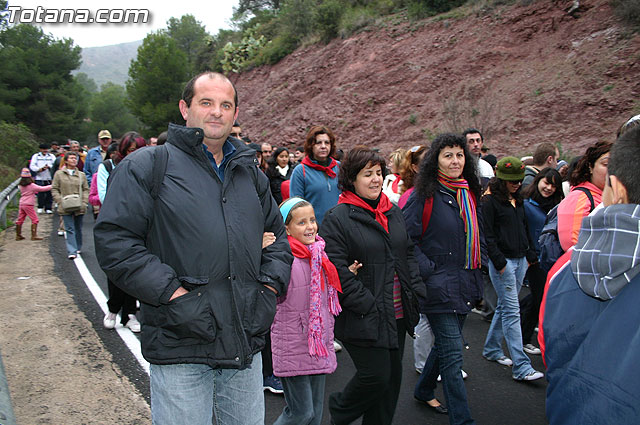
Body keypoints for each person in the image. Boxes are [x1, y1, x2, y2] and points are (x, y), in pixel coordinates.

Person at [93, 71, 292, 425]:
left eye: (226, 105)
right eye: (206, 102)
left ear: (235, 114)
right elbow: (116, 242)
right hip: (180, 342)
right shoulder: (147, 166)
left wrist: (267, 291)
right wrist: (176, 297)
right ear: (185, 109)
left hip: (244, 343)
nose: (216, 112)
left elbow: (278, 240)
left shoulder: (250, 174)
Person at [540, 126, 640, 424]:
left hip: (572, 407)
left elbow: (549, 345)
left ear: (616, 189)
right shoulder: (579, 199)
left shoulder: (566, 269)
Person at [319, 146, 424, 425]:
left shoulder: (392, 211)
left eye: (378, 172)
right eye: (368, 174)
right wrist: (366, 302)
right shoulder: (338, 218)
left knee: (391, 383)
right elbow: (335, 270)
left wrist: (416, 288)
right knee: (376, 376)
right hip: (365, 313)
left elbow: (407, 252)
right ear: (352, 179)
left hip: (397, 311)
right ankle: (340, 410)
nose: (376, 179)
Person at [403, 134, 484, 425]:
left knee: (445, 347)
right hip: (438, 287)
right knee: (452, 356)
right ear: (435, 160)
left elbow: (478, 235)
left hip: (465, 283)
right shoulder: (423, 195)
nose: (455, 161)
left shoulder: (468, 193)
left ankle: (424, 389)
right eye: (448, 155)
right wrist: (429, 270)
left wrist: (482, 263)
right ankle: (463, 420)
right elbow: (405, 238)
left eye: (459, 155)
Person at [271, 197, 342, 425]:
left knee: (316, 413)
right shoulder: (281, 259)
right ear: (286, 229)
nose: (310, 226)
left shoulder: (319, 254)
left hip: (318, 342)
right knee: (301, 413)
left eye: (312, 220)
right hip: (293, 345)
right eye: (301, 222)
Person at [481, 157, 544, 381]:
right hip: (504, 262)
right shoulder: (489, 202)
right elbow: (487, 235)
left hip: (520, 259)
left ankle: (492, 348)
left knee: (506, 307)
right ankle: (521, 366)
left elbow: (524, 227)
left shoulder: (518, 199)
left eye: (519, 180)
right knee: (511, 311)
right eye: (512, 181)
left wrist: (530, 253)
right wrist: (499, 262)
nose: (517, 184)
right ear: (501, 180)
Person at [98, 132, 146, 333]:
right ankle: (113, 308)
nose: (134, 154)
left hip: (140, 224)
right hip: (116, 223)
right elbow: (104, 195)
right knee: (117, 267)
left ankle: (129, 314)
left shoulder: (148, 167)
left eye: (138, 150)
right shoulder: (109, 167)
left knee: (136, 269)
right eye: (131, 150)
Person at [520, 167, 563, 355]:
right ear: (538, 181)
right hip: (531, 258)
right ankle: (524, 338)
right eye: (546, 183)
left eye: (553, 185)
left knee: (538, 296)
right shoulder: (526, 204)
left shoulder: (556, 206)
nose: (549, 188)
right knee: (538, 297)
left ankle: (520, 323)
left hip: (548, 258)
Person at [557, 141, 612, 251]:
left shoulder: (612, 196)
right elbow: (573, 244)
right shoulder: (579, 197)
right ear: (590, 167)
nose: (611, 169)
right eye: (605, 164)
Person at [289, 126, 340, 225]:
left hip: (340, 226)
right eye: (318, 143)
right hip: (315, 228)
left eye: (327, 142)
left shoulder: (339, 167)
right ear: (311, 146)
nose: (323, 146)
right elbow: (296, 207)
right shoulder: (301, 171)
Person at [51, 152, 89, 260]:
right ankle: (72, 250)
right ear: (66, 161)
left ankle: (78, 246)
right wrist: (59, 201)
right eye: (71, 158)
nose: (74, 160)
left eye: (75, 158)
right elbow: (54, 188)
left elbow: (86, 189)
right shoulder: (59, 174)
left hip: (79, 204)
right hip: (65, 204)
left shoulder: (81, 175)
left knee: (78, 227)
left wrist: (84, 202)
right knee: (69, 228)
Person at [16, 168, 51, 241]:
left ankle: (18, 235)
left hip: (22, 203)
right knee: (35, 220)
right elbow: (42, 189)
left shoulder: (20, 185)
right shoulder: (31, 185)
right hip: (29, 204)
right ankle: (34, 236)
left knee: (20, 219)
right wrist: (52, 186)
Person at [29, 143, 56, 214]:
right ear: (40, 149)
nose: (45, 151)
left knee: (49, 193)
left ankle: (48, 207)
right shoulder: (36, 156)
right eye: (43, 149)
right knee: (40, 193)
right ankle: (40, 207)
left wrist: (49, 167)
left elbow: (55, 165)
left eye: (46, 149)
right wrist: (39, 169)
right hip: (39, 177)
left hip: (49, 177)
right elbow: (32, 166)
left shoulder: (51, 156)